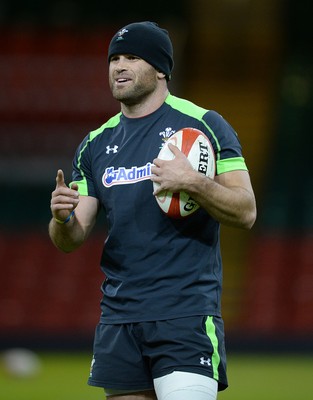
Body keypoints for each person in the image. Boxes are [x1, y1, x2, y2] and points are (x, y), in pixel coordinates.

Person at [49, 21, 256, 400]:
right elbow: (71, 237)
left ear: (161, 69)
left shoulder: (205, 125)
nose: (118, 66)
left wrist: (193, 181)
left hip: (185, 314)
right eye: (113, 58)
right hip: (119, 318)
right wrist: (61, 217)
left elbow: (246, 211)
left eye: (131, 57)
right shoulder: (95, 144)